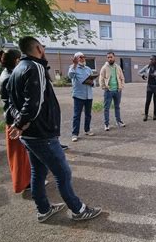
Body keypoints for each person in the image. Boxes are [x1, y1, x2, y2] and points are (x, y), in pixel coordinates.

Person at [6, 36, 102, 223]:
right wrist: (20, 123)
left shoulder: (17, 69)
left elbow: (11, 102)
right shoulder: (36, 68)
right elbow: (34, 102)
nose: (44, 50)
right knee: (62, 173)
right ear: (37, 48)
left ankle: (43, 209)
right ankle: (78, 210)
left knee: (38, 171)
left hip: (30, 135)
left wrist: (18, 123)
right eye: (43, 46)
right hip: (42, 133)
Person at [0, 49, 32, 193]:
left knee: (22, 153)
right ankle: (24, 183)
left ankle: (27, 180)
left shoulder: (8, 74)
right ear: (17, 60)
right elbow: (13, 103)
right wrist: (20, 122)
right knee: (19, 154)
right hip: (14, 121)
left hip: (13, 119)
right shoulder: (9, 77)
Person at [68, 52, 95, 142]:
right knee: (77, 115)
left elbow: (94, 82)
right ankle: (75, 134)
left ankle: (87, 130)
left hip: (89, 95)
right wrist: (74, 65)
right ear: (76, 59)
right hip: (78, 95)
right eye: (80, 57)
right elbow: (70, 76)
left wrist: (92, 83)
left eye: (83, 57)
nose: (82, 59)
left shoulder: (88, 69)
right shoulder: (73, 68)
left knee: (88, 114)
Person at [99, 52, 126, 131]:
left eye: (111, 57)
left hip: (117, 90)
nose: (109, 59)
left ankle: (118, 121)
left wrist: (121, 86)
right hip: (109, 91)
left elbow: (122, 77)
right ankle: (106, 124)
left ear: (114, 57)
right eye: (108, 57)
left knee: (117, 107)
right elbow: (101, 78)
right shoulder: (104, 67)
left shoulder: (117, 67)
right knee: (106, 108)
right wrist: (104, 87)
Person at [139, 55, 156, 121]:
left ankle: (155, 115)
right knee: (147, 101)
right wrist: (143, 76)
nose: (150, 60)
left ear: (155, 60)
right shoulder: (147, 67)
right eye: (150, 59)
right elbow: (139, 72)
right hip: (149, 86)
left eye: (152, 59)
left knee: (155, 101)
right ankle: (146, 115)